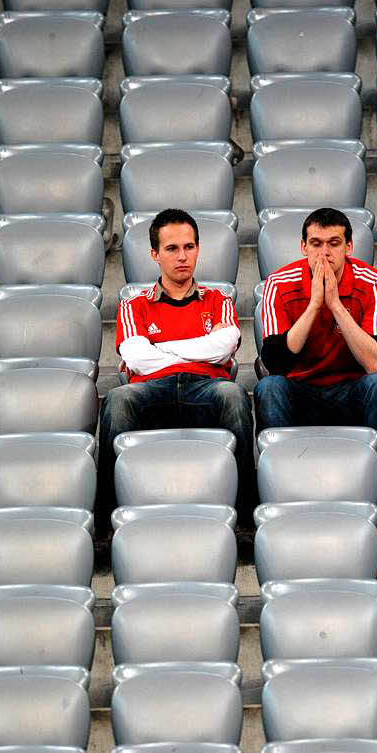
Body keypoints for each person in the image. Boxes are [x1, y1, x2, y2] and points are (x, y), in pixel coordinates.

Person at [254, 206, 377, 553]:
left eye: (334, 243)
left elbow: (375, 363)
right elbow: (274, 362)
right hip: (299, 391)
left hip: (351, 390)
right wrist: (314, 304)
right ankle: (282, 506)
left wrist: (335, 305)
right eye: (316, 243)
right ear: (302, 246)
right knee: (268, 388)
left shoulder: (371, 281)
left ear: (349, 247)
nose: (325, 253)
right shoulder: (279, 283)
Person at [98, 207, 255, 529]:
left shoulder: (219, 299)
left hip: (206, 389)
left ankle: (245, 520)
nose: (182, 256)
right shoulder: (134, 304)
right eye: (172, 248)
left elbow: (225, 345)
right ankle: (105, 525)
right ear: (155, 253)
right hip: (151, 391)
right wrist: (199, 350)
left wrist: (161, 349)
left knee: (234, 394)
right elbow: (137, 359)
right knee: (118, 399)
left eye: (189, 247)